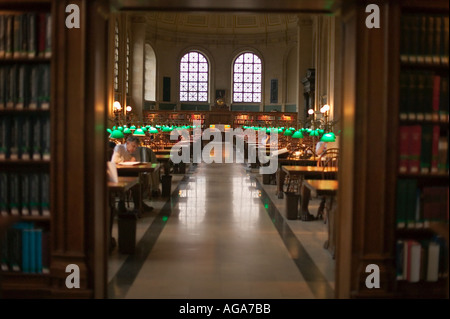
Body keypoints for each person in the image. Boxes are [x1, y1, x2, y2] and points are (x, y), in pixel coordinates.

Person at [111, 136, 153, 213]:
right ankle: (123, 203)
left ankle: (138, 204)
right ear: (127, 143)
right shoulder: (119, 148)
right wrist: (127, 161)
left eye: (136, 147)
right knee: (134, 182)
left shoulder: (135, 150)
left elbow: (137, 161)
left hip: (131, 171)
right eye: (133, 146)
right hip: (119, 173)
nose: (134, 149)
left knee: (141, 180)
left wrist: (127, 161)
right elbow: (114, 161)